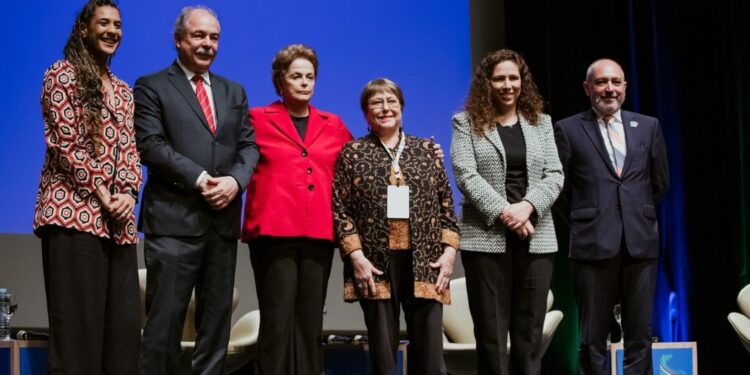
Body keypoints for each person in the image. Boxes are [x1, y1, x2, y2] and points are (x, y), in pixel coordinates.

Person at [134, 6, 259, 374]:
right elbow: (151, 145)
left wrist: (235, 181)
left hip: (220, 225)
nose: (207, 44)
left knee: (215, 328)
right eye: (199, 36)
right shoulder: (152, 85)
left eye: (214, 37)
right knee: (163, 327)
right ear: (179, 40)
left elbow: (249, 147)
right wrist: (203, 179)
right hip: (173, 222)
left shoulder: (233, 91)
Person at [33, 0, 141, 373]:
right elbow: (65, 143)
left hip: (118, 226)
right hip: (73, 215)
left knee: (124, 336)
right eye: (104, 23)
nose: (113, 31)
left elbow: (130, 149)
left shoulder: (124, 92)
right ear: (84, 29)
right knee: (78, 338)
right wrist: (102, 192)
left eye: (118, 25)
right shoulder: (61, 75)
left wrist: (128, 193)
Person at [333, 78, 460, 375]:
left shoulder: (426, 149)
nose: (385, 108)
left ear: (402, 107)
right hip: (374, 263)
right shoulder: (351, 153)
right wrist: (356, 257)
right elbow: (340, 209)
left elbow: (446, 205)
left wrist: (449, 252)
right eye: (376, 102)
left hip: (425, 260)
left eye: (391, 101)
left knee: (430, 354)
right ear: (366, 113)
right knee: (383, 354)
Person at [241, 44, 353, 375]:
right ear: (280, 82)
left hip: (319, 231)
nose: (304, 82)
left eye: (310, 76)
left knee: (309, 321)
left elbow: (359, 164)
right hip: (273, 231)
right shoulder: (257, 118)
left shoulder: (332, 123)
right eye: (296, 76)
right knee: (276, 320)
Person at [450, 49, 564, 375]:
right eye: (499, 78)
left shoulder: (541, 123)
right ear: (488, 83)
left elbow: (555, 174)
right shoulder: (465, 123)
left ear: (522, 82)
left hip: (536, 237)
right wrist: (506, 213)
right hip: (485, 239)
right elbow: (465, 173)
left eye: (513, 78)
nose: (507, 85)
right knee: (491, 333)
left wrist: (527, 208)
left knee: (529, 335)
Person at [554, 58, 669, 375]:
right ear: (587, 88)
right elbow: (559, 188)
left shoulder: (648, 126)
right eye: (602, 82)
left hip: (640, 243)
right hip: (592, 244)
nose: (609, 89)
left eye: (616, 82)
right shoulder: (567, 129)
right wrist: (586, 218)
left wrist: (634, 215)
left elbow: (659, 183)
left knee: (640, 335)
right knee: (592, 337)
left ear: (625, 87)